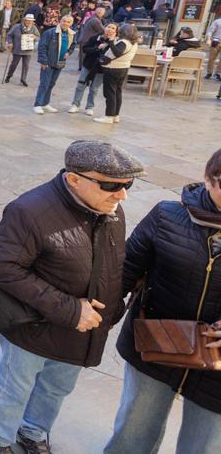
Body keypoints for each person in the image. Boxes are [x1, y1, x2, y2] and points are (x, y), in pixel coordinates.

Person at [0, 140, 143, 454]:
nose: (122, 195)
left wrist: (111, 309)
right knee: (14, 386)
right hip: (32, 324)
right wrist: (68, 309)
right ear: (73, 179)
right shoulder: (30, 210)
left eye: (128, 185)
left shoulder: (113, 213)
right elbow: (3, 266)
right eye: (111, 185)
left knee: (57, 388)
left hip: (81, 330)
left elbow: (112, 266)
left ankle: (33, 431)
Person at [104, 148, 221, 453]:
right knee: (133, 433)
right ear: (208, 179)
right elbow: (126, 269)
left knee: (206, 445)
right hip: (156, 341)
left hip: (217, 359)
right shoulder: (167, 215)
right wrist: (98, 318)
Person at [68, 22, 115, 115]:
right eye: (108, 27)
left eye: (113, 28)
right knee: (81, 85)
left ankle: (89, 107)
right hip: (88, 65)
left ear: (116, 32)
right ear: (104, 28)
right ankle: (75, 105)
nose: (110, 29)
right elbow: (85, 49)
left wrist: (111, 42)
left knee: (94, 89)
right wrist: (97, 48)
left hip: (101, 69)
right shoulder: (95, 37)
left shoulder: (115, 43)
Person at [95, 22, 138, 124]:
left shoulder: (123, 42)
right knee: (117, 92)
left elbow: (117, 52)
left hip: (113, 69)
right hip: (123, 68)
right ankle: (115, 115)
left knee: (110, 93)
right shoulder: (134, 43)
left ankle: (109, 116)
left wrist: (111, 42)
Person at [33, 14, 75, 114]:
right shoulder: (50, 32)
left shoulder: (71, 34)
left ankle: (45, 104)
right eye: (64, 21)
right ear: (60, 21)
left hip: (60, 62)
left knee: (51, 84)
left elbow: (73, 45)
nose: (65, 23)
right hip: (48, 62)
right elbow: (42, 47)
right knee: (44, 84)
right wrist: (43, 61)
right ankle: (38, 104)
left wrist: (69, 52)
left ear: (71, 24)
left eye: (68, 22)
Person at [4, 14, 39, 86]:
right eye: (27, 21)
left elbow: (38, 36)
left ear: (33, 22)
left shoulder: (34, 28)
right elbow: (9, 35)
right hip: (17, 49)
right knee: (14, 64)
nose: (29, 22)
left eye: (31, 21)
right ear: (24, 20)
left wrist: (35, 37)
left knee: (26, 65)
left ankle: (23, 79)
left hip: (28, 50)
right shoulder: (16, 27)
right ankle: (9, 76)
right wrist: (10, 43)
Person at [205, 14, 221, 80]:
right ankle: (209, 73)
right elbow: (210, 31)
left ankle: (218, 73)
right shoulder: (217, 21)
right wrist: (209, 39)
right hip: (216, 41)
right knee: (212, 58)